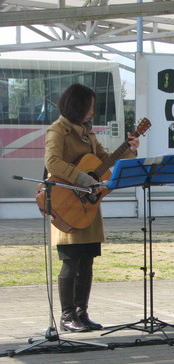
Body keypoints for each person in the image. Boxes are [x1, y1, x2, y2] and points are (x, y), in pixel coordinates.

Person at [44, 83, 140, 332]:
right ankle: (67, 316)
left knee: (87, 260)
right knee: (71, 260)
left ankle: (81, 313)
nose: (92, 111)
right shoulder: (58, 131)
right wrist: (84, 179)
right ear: (77, 106)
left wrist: (128, 151)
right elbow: (52, 162)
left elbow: (104, 160)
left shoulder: (89, 133)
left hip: (88, 205)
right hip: (67, 203)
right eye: (89, 106)